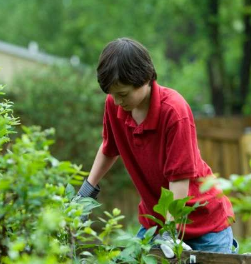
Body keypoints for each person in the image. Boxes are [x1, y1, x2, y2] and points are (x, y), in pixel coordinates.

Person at [76, 37, 237, 257]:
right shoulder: (115, 106)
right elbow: (109, 147)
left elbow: (179, 179)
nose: (116, 101)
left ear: (144, 79)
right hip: (157, 223)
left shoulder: (173, 110)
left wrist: (170, 234)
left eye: (122, 94)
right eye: (112, 95)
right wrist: (85, 194)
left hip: (204, 226)